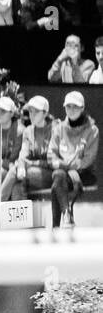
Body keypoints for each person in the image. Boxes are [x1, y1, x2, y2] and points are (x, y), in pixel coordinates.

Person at [48, 91, 97, 227]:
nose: (71, 110)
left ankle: (56, 227)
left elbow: (88, 159)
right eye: (68, 106)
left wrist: (69, 168)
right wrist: (65, 167)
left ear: (82, 108)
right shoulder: (58, 129)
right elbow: (51, 154)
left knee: (56, 184)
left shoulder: (92, 130)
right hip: (63, 172)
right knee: (58, 177)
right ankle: (67, 214)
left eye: (75, 106)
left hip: (83, 173)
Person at [1, 95, 56, 202]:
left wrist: (28, 164)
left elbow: (52, 161)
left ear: (45, 113)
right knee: (18, 180)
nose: (32, 115)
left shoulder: (55, 130)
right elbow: (23, 154)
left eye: (36, 111)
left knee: (16, 172)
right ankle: (19, 218)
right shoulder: (28, 131)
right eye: (30, 111)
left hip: (51, 173)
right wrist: (22, 164)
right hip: (30, 170)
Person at [0, 96, 22, 185]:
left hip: (11, 169)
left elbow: (13, 159)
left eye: (3, 111)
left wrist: (1, 163)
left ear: (12, 114)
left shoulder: (19, 131)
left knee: (0, 174)